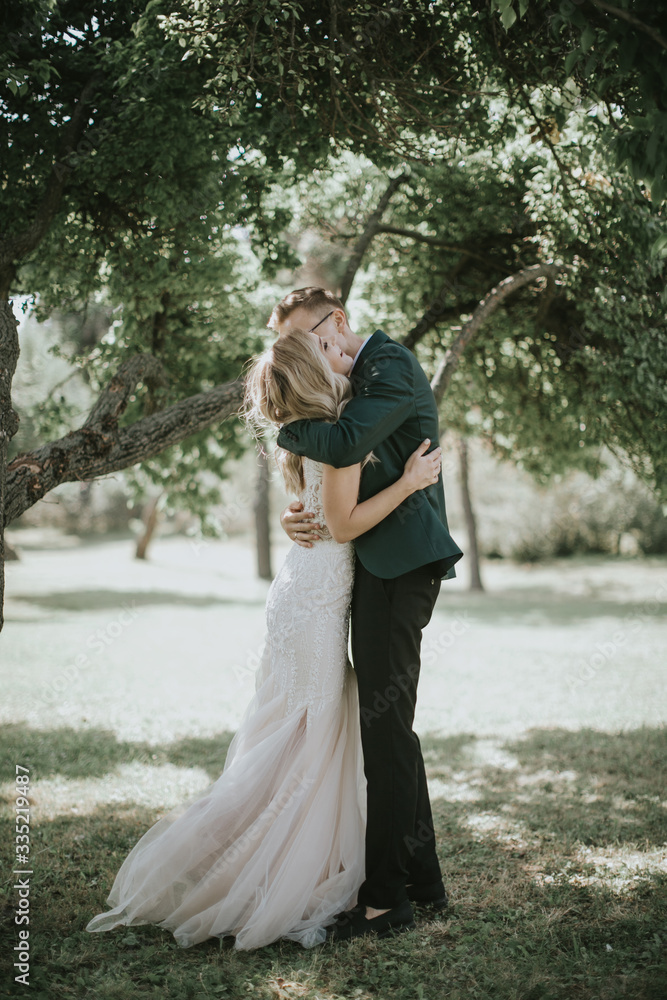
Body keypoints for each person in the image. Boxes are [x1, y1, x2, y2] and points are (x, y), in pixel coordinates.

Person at [85, 328, 442, 951]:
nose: (346, 358)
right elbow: (341, 521)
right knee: (306, 743)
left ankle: (303, 863)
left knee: (297, 737)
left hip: (307, 597)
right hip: (316, 606)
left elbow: (316, 509)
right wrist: (410, 484)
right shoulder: (337, 439)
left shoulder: (320, 431)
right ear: (315, 372)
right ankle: (271, 873)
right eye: (330, 351)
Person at [271, 287, 463, 942]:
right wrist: (298, 513)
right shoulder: (354, 383)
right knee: (392, 731)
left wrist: (279, 420)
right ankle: (424, 883)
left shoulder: (390, 365)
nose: (305, 354)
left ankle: (384, 903)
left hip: (397, 570)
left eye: (306, 340)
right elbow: (335, 475)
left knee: (386, 735)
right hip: (375, 570)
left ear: (337, 324)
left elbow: (346, 442)